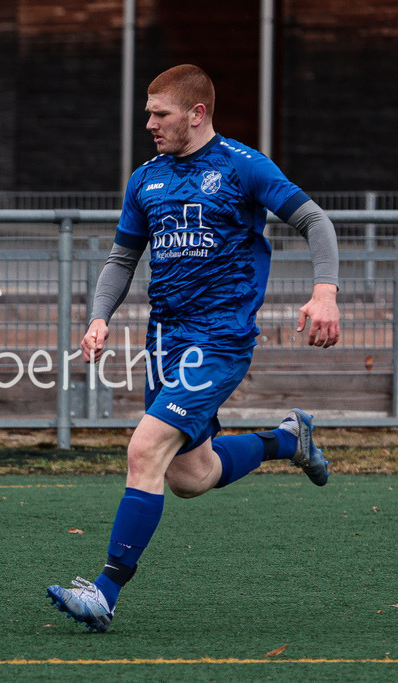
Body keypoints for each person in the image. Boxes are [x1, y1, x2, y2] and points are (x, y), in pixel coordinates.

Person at [46, 64, 341, 633]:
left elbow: (315, 222)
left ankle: (104, 592)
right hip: (165, 339)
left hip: (219, 338)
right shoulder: (146, 179)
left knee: (143, 450)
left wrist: (324, 291)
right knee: (190, 476)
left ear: (196, 114)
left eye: (160, 114)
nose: (150, 123)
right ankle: (287, 439)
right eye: (149, 113)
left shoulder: (243, 166)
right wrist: (99, 317)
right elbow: (122, 259)